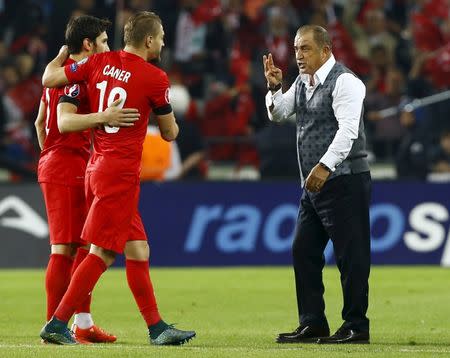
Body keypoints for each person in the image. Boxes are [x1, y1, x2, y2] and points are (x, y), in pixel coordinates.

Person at [39, 11, 196, 346]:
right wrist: (170, 116)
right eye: (163, 35)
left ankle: (157, 327)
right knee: (100, 254)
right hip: (118, 173)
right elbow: (169, 133)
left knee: (138, 249)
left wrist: (60, 58)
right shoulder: (155, 77)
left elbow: (51, 81)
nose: (165, 41)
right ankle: (58, 322)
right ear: (150, 40)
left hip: (96, 167)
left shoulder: (98, 63)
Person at [263, 25, 372, 344]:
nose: (298, 55)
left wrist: (325, 165)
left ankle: (356, 325)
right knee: (303, 250)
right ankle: (313, 322)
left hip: (345, 179)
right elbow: (279, 114)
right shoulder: (302, 82)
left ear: (326, 50)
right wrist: (274, 88)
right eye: (296, 49)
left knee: (351, 257)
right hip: (313, 185)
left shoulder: (345, 82)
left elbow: (349, 131)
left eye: (306, 49)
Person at [34, 15, 138, 344]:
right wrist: (103, 119)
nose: (109, 48)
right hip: (67, 165)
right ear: (89, 45)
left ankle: (82, 323)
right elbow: (64, 123)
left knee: (81, 246)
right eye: (105, 42)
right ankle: (56, 324)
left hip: (58, 162)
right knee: (63, 248)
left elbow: (40, 123)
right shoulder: (78, 80)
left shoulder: (57, 77)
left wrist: (48, 152)